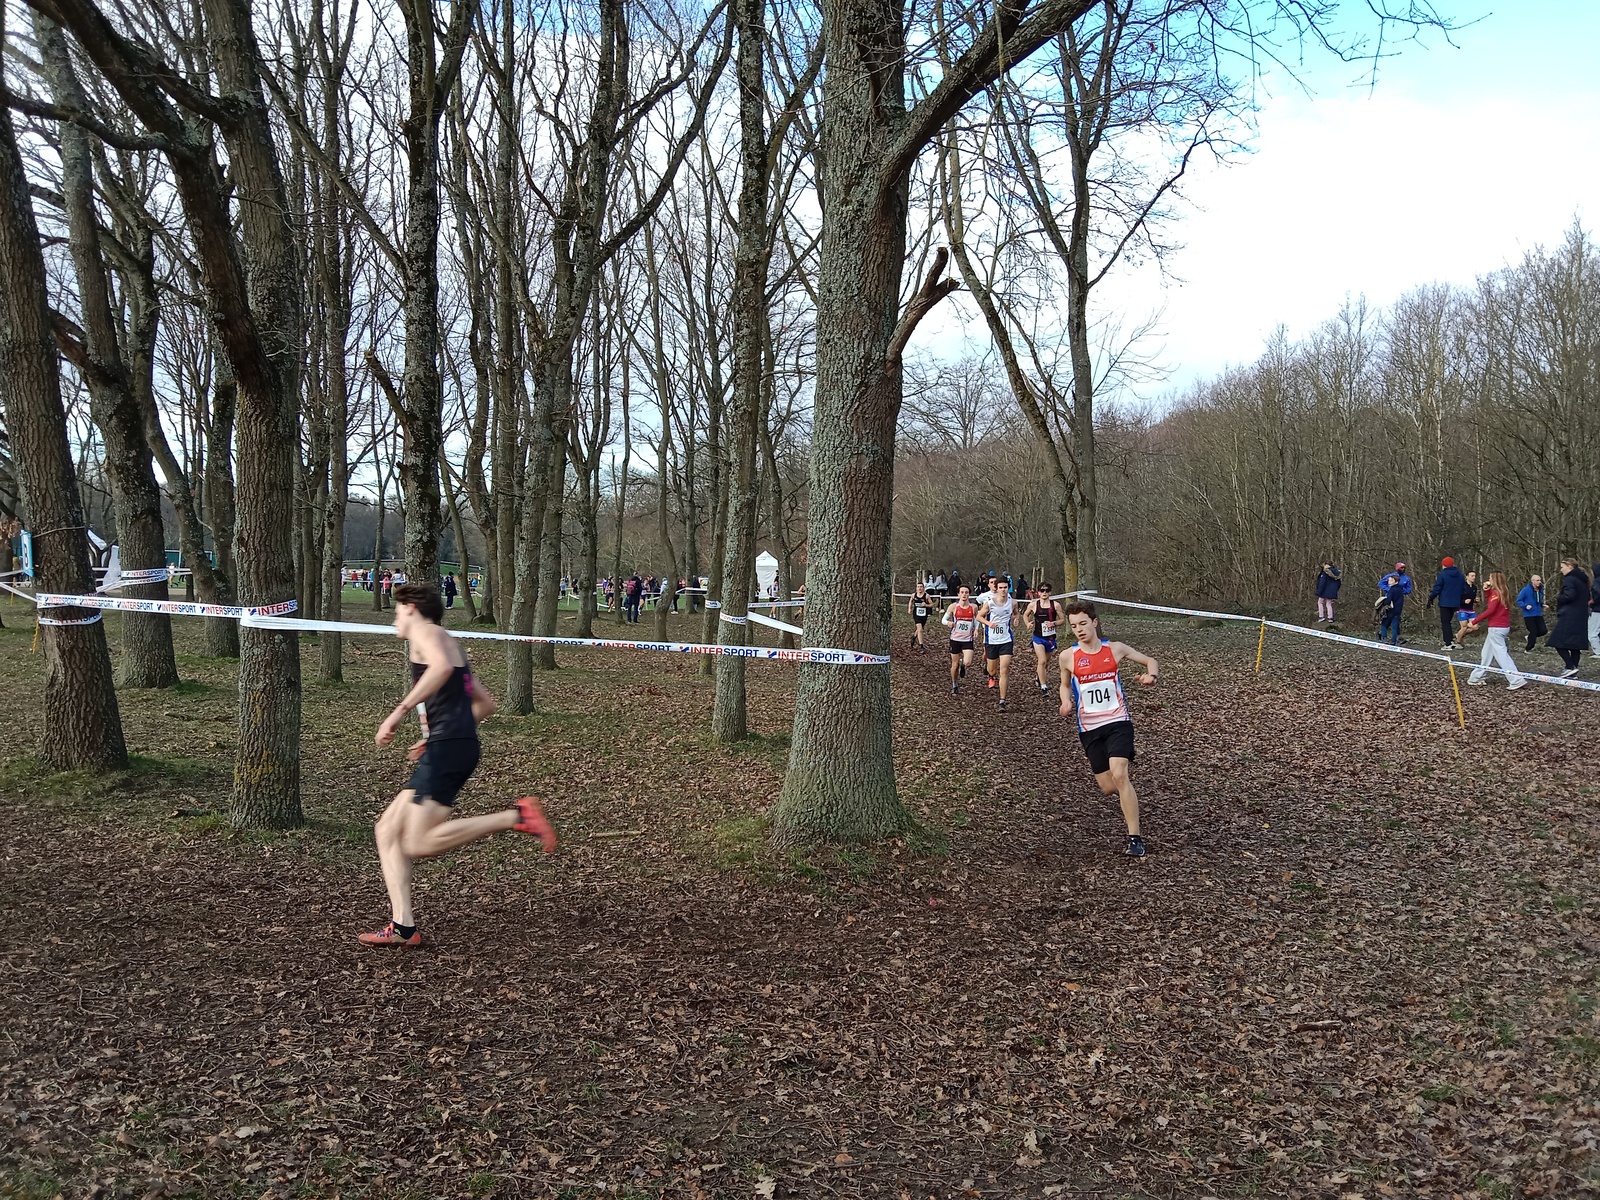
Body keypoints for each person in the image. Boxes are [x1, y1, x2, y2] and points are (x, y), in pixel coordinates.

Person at [360, 583, 555, 947]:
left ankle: (516, 817)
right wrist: (440, 734)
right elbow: (485, 703)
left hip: (450, 749)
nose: (394, 620)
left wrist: (399, 712)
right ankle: (403, 927)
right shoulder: (448, 640)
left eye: (397, 611)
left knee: (417, 842)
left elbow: (441, 668)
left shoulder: (428, 633)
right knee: (387, 830)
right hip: (450, 745)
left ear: (412, 608)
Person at [1059, 600, 1159, 858]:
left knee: (1120, 773)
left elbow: (1150, 661)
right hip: (1089, 728)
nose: (1079, 630)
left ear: (1094, 622)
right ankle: (1128, 797)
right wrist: (1065, 701)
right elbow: (1065, 685)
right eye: (1074, 626)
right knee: (1107, 786)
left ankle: (1135, 838)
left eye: (1083, 623)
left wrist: (1151, 676)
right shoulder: (1068, 656)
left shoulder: (1115, 649)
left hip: (1117, 722)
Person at [1460, 573, 1526, 691]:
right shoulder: (1502, 593)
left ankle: (1516, 679)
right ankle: (1476, 677)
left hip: (1496, 628)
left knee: (1501, 655)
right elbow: (1492, 602)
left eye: (1490, 578)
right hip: (1502, 627)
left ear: (1494, 581)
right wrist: (1487, 591)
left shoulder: (1496, 594)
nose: (1488, 580)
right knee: (1486, 654)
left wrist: (1474, 621)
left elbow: (1490, 610)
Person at [977, 577, 1016, 710]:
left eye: (1005, 587)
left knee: (1004, 669)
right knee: (992, 670)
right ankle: (989, 672)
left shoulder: (1012, 602)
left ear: (1008, 588)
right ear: (997, 589)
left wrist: (1016, 619)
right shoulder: (990, 603)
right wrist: (989, 623)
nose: (1003, 590)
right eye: (1000, 588)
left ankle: (1002, 701)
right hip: (992, 640)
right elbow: (979, 616)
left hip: (1006, 640)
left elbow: (1016, 613)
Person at [1549, 558, 1592, 677]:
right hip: (1581, 615)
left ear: (1570, 567)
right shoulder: (1583, 580)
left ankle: (1569, 666)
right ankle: (1573, 671)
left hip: (1569, 615)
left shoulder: (1570, 579)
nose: (1561, 570)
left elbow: (1569, 596)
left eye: (1562, 567)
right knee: (1575, 644)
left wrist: (1559, 598)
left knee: (1557, 640)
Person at [1024, 585, 1064, 697]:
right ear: (1038, 592)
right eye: (1042, 590)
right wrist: (1027, 623)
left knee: (1046, 662)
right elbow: (1025, 615)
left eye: (1047, 590)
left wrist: (1054, 623)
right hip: (1038, 637)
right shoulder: (1033, 604)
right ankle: (1044, 687)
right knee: (1041, 661)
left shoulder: (1055, 605)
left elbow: (1062, 620)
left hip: (1050, 638)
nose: (1044, 592)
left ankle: (1039, 676)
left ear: (1050, 592)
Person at [942, 584, 978, 695]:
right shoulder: (953, 606)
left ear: (969, 594)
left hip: (968, 639)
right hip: (955, 639)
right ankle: (954, 684)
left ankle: (963, 664)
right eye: (962, 592)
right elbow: (943, 620)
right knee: (955, 664)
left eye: (966, 592)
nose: (964, 594)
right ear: (958, 594)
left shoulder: (973, 607)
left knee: (968, 662)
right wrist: (948, 623)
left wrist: (976, 629)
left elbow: (976, 620)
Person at [1427, 556, 1469, 650]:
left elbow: (1437, 588)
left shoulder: (1442, 575)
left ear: (1444, 565)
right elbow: (1464, 589)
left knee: (1445, 622)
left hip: (1445, 602)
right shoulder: (1460, 575)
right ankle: (1451, 640)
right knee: (1449, 621)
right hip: (1456, 602)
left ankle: (1448, 643)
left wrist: (1431, 598)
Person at [1376, 564, 1412, 645]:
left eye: (1404, 568)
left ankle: (1388, 638)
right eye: (1401, 568)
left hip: (1396, 603)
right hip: (1391, 601)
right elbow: (1380, 584)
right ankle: (1389, 637)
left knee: (1392, 622)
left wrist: (1401, 591)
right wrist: (1389, 589)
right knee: (1390, 621)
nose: (1403, 569)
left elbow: (1409, 589)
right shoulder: (1390, 576)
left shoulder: (1406, 578)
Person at [1517, 573, 1546, 650]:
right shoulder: (1526, 590)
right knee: (1533, 631)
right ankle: (1528, 648)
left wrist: (1542, 605)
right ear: (1532, 581)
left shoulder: (1540, 590)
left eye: (1540, 580)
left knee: (1543, 630)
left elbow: (1538, 600)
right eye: (1537, 580)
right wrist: (1525, 606)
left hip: (1538, 613)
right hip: (1529, 615)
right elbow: (1519, 600)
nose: (1539, 582)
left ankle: (1529, 637)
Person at [907, 582, 934, 651]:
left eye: (921, 587)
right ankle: (921, 646)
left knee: (920, 629)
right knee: (920, 629)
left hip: (924, 615)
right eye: (918, 587)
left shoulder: (926, 596)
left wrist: (926, 605)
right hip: (916, 614)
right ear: (916, 588)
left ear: (923, 588)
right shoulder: (914, 595)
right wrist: (909, 608)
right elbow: (910, 601)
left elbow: (932, 605)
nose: (919, 588)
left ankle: (914, 637)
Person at [1590, 562, 1600, 657]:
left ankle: (1598, 651)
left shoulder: (1596, 582)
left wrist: (1592, 602)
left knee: (1592, 632)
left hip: (1597, 609)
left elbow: (1597, 594)